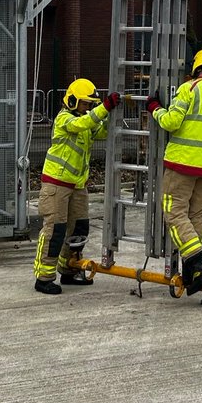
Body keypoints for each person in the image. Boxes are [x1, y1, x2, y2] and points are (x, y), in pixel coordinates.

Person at [145, 46, 202, 299]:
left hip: (182, 164)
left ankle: (197, 266)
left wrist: (154, 108)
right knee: (197, 216)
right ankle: (194, 271)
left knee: (174, 213)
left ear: (197, 67)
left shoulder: (189, 88)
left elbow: (171, 122)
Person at [34, 78, 120, 295]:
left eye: (90, 104)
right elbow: (83, 124)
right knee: (55, 230)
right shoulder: (64, 119)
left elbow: (100, 131)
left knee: (79, 229)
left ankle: (68, 269)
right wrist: (104, 107)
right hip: (56, 184)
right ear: (71, 100)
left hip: (77, 185)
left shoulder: (85, 120)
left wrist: (111, 114)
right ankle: (44, 277)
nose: (87, 108)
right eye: (84, 103)